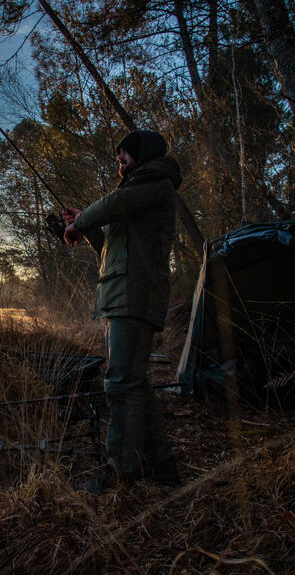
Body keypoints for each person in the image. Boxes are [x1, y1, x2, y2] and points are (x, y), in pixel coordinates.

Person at [63, 129, 181, 487]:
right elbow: (111, 248)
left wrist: (80, 220)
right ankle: (161, 464)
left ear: (144, 154)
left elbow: (112, 206)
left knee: (118, 385)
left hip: (134, 295)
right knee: (134, 383)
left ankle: (121, 471)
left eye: (126, 152)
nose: (119, 158)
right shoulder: (139, 193)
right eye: (118, 154)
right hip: (123, 294)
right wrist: (84, 231)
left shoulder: (154, 182)